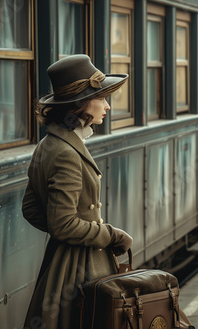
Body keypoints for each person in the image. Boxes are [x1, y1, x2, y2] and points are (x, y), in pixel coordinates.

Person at [22, 54, 133, 328]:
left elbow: (31, 209)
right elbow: (63, 224)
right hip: (80, 267)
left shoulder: (48, 144)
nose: (107, 105)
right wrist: (110, 235)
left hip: (60, 263)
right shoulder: (67, 153)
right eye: (102, 98)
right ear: (81, 104)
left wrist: (70, 231)